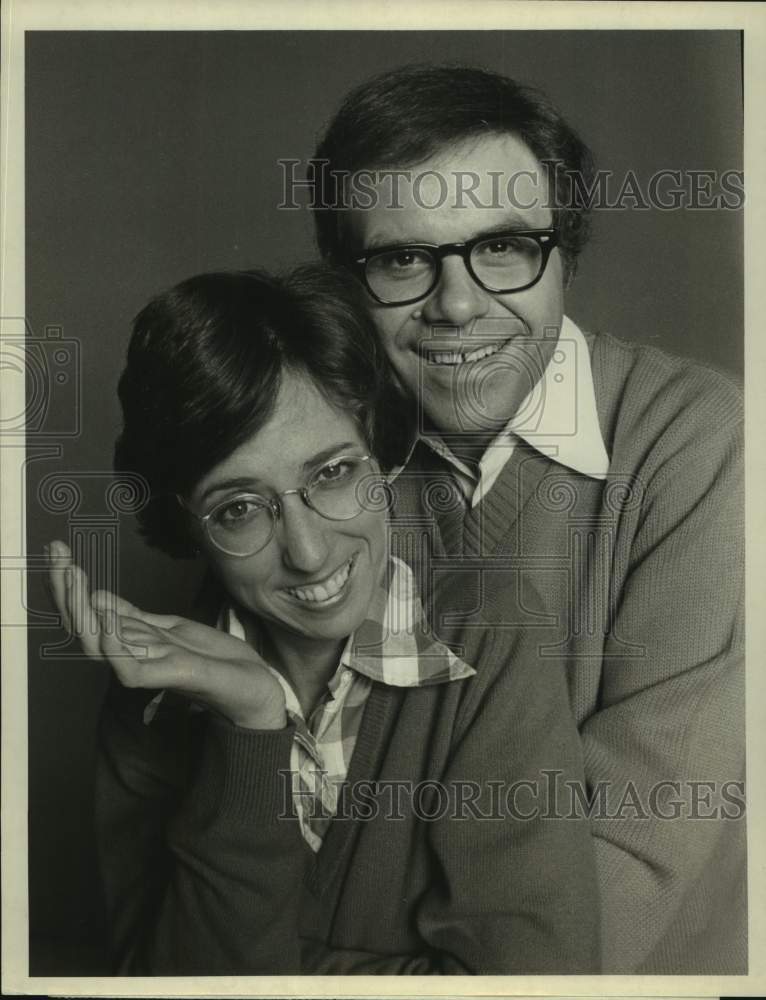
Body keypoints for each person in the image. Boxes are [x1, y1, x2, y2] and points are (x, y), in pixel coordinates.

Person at [311, 64, 746, 973]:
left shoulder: (702, 442)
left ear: (566, 253)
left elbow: (646, 840)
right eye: (403, 259)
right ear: (349, 284)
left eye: (504, 247)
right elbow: (268, 837)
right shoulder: (314, 458)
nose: (458, 304)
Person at [46, 264, 600, 975]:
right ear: (185, 522)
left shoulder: (488, 634)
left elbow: (534, 986)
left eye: (334, 473)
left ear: (382, 444)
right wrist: (251, 723)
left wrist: (286, 968)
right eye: (239, 508)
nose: (308, 553)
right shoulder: (150, 701)